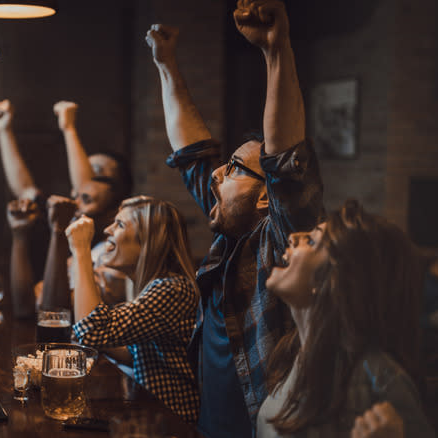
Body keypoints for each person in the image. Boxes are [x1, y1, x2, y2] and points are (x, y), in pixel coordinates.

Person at [145, 1, 324, 435]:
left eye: (235, 169)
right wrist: (166, 65)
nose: (218, 175)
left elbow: (284, 159)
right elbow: (192, 153)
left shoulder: (280, 243)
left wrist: (275, 49)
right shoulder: (232, 239)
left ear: (267, 198)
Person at [259, 200, 435, 437]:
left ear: (335, 279)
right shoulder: (291, 357)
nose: (293, 238)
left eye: (311, 241)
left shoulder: (382, 380)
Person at [0, 100, 132, 317]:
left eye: (96, 173)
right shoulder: (70, 218)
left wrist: (69, 129)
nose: (85, 179)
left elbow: (57, 314)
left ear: (119, 191)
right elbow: (26, 189)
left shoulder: (117, 249)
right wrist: (3, 131)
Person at [66, 196, 199, 422]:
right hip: (152, 413)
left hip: (176, 423)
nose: (107, 230)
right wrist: (101, 342)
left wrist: (81, 251)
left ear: (148, 241)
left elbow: (90, 330)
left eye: (119, 225)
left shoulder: (172, 290)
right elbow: (139, 353)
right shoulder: (149, 287)